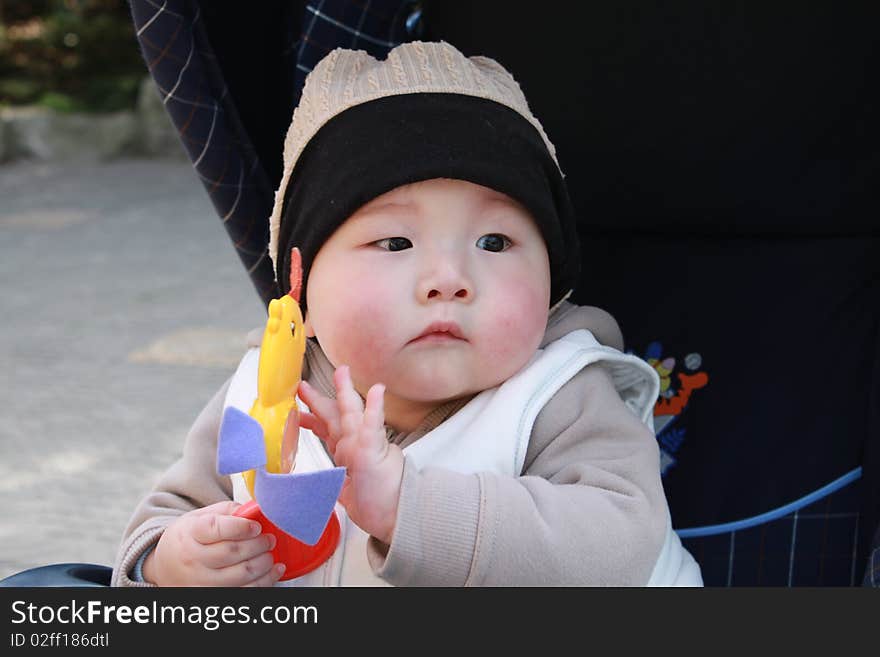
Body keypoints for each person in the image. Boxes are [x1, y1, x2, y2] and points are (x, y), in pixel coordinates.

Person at [111, 41, 702, 587]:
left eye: (494, 243)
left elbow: (618, 543)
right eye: (395, 244)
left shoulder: (558, 396)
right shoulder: (263, 398)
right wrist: (171, 562)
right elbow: (170, 513)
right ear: (300, 293)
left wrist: (406, 507)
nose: (449, 280)